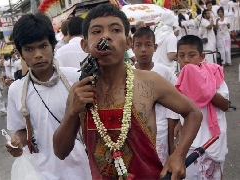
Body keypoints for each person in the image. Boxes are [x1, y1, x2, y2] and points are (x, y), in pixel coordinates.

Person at [53, 4, 202, 180]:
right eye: (96, 31)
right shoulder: (80, 92)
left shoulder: (149, 82)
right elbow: (60, 152)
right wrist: (72, 112)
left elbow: (194, 112)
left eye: (115, 30)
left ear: (128, 42)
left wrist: (178, 154)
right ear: (85, 45)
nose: (106, 36)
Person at [5, 13, 91, 180]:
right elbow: (23, 130)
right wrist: (16, 143)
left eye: (43, 46)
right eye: (29, 49)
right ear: (20, 52)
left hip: (83, 170)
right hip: (43, 173)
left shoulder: (75, 79)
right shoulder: (16, 90)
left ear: (53, 45)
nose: (38, 54)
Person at [171, 35, 228, 180]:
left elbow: (225, 105)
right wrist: (178, 122)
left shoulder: (214, 75)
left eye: (192, 55)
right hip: (191, 141)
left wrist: (205, 88)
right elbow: (180, 107)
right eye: (182, 56)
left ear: (201, 56)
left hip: (213, 138)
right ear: (177, 57)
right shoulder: (177, 79)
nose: (186, 60)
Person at [132, 27, 173, 165]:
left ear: (155, 47)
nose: (143, 49)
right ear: (132, 48)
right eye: (138, 45)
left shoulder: (165, 72)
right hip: (135, 133)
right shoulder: (126, 74)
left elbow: (175, 105)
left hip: (161, 132)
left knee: (159, 168)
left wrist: (172, 139)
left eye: (148, 45)